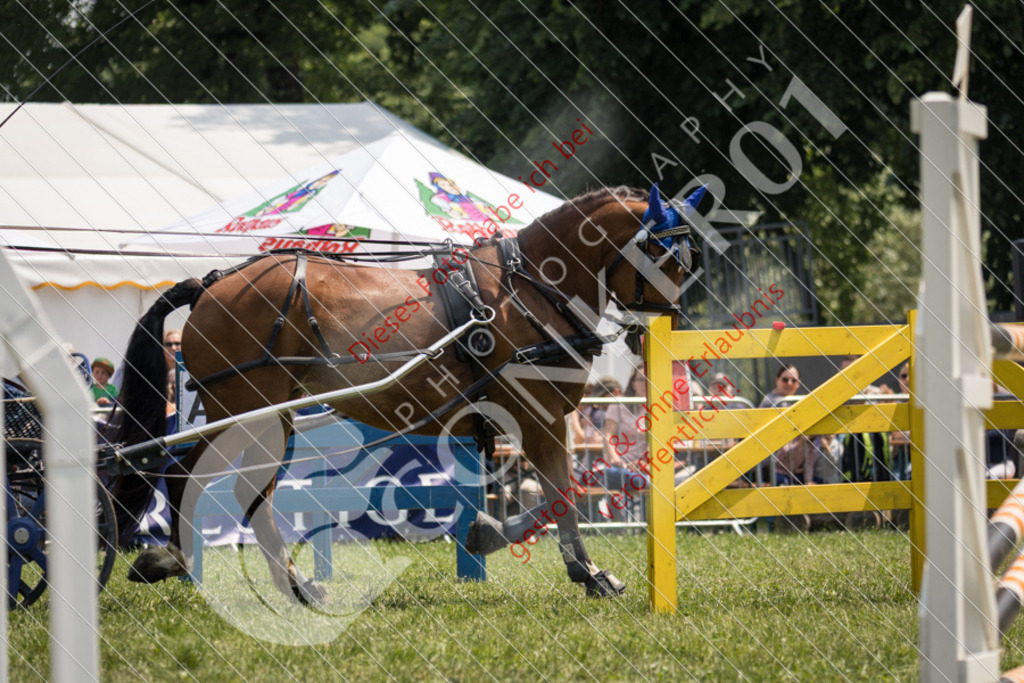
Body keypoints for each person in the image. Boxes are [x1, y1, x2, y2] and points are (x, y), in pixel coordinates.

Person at [759, 364, 825, 485]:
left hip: (793, 465)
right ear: (776, 380)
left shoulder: (795, 403)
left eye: (794, 380)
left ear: (798, 383)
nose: (789, 383)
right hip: (771, 465)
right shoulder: (770, 402)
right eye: (785, 379)